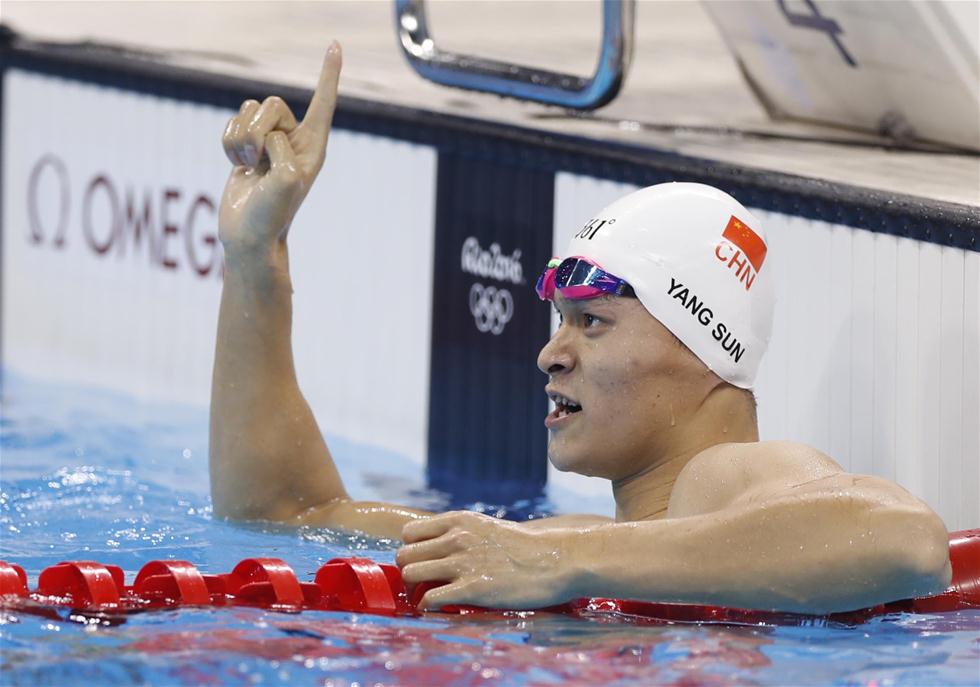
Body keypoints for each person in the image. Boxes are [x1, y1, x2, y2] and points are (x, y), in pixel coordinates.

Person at [209, 44, 952, 614]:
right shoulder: (582, 542)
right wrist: (254, 258)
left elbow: (905, 538)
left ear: (702, 346)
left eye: (591, 321)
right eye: (559, 320)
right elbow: (284, 511)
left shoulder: (717, 479)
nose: (549, 353)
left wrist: (571, 556)